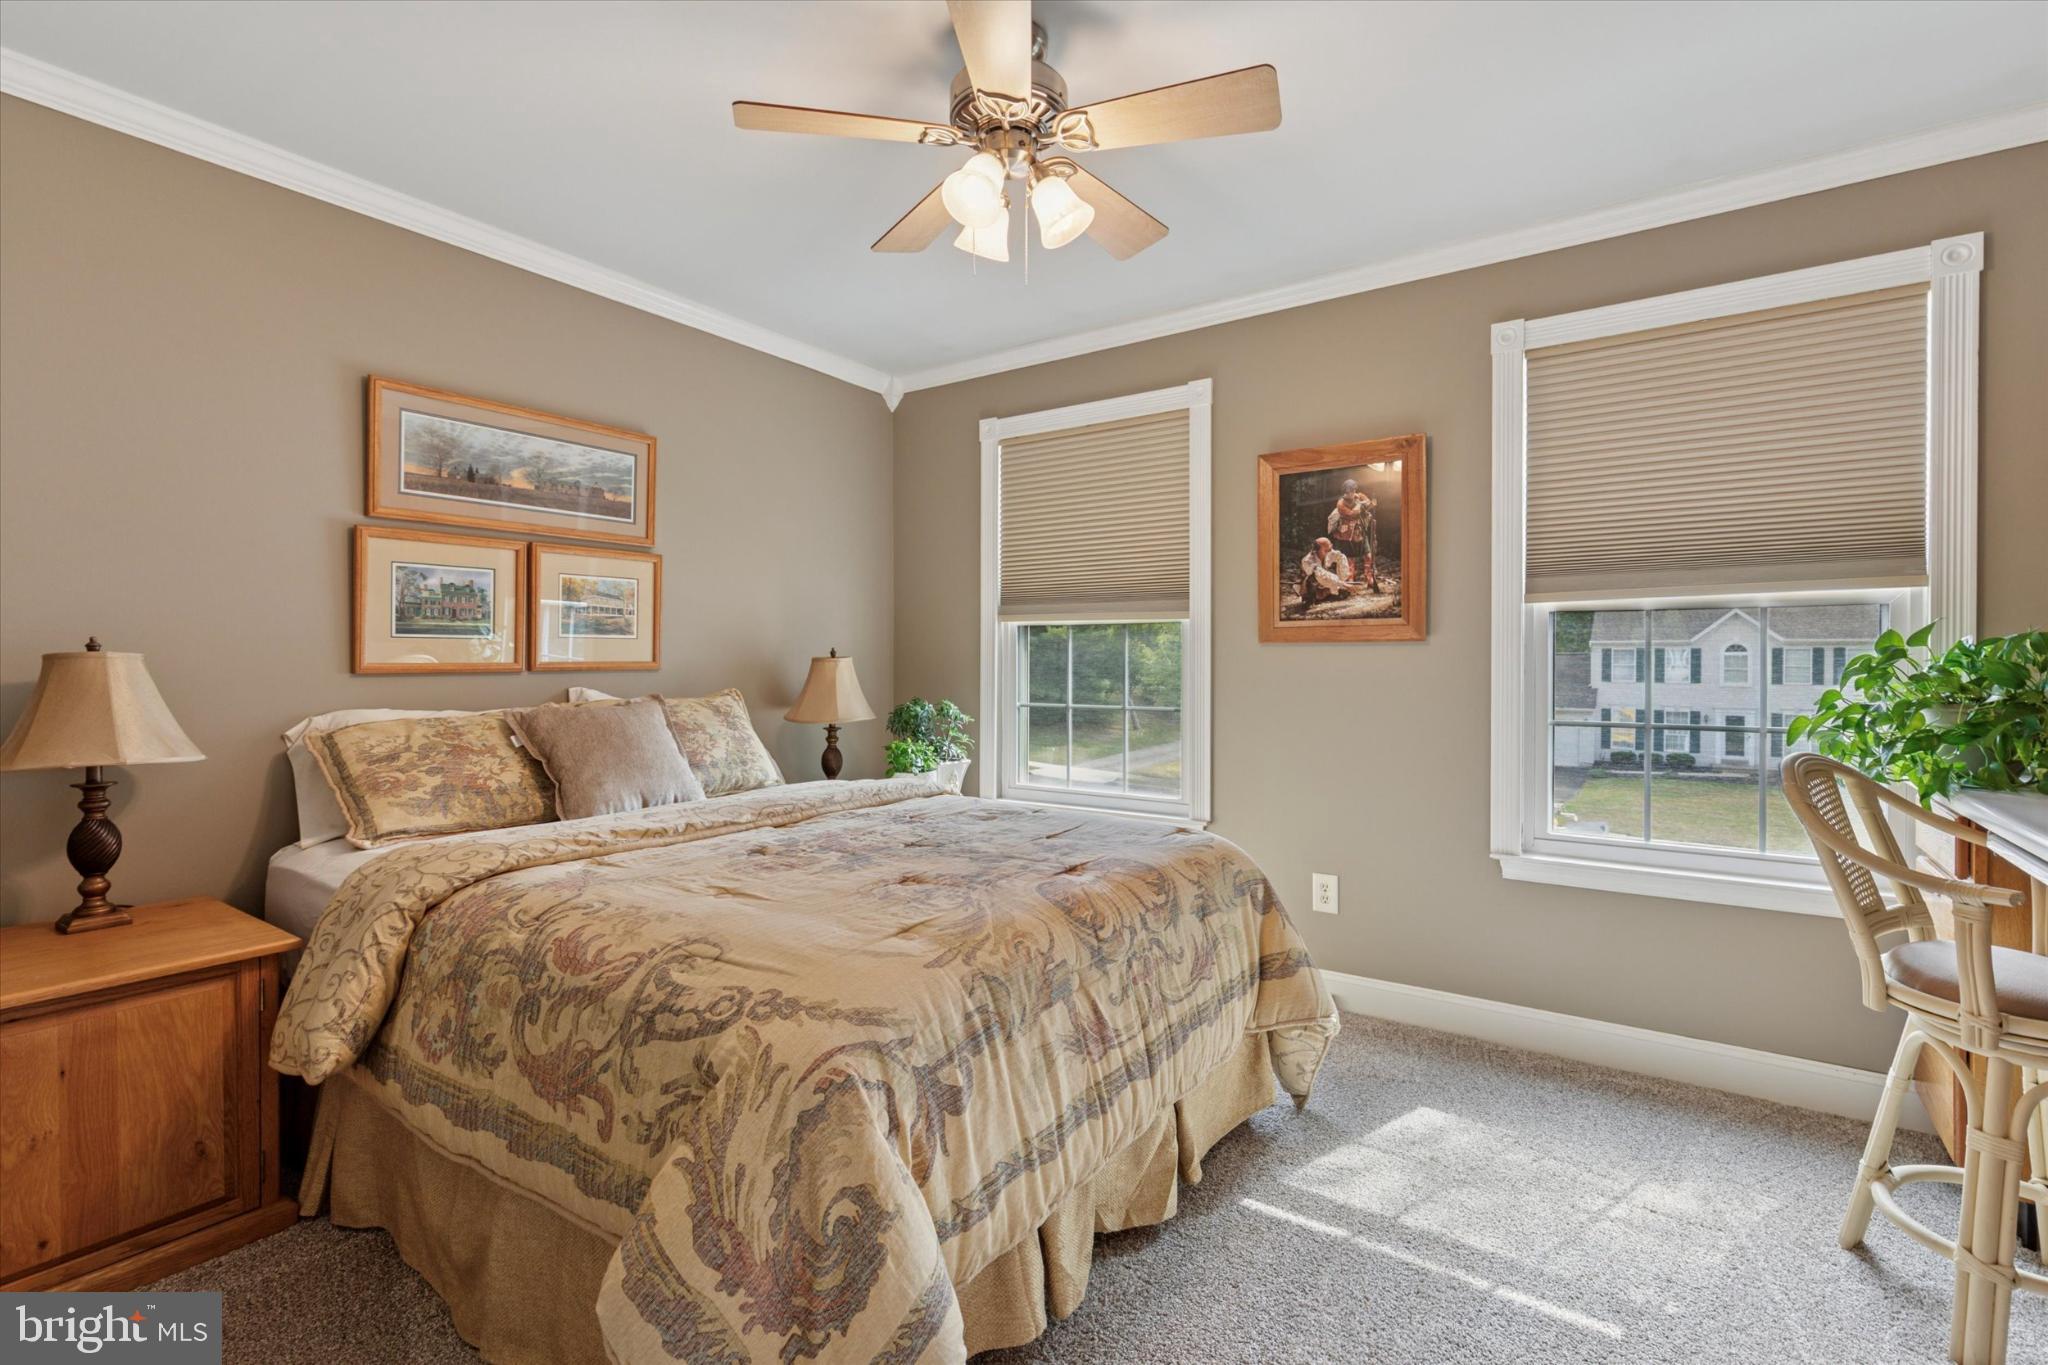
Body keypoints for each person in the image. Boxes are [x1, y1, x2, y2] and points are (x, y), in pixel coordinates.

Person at [1326, 479, 1378, 593]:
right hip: (1346, 534)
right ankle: (1350, 580)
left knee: (1368, 556)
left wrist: (1370, 503)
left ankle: (1369, 577)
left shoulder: (1359, 496)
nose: (1351, 493)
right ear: (1345, 492)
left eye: (1353, 490)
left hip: (1360, 532)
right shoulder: (1341, 503)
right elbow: (1352, 514)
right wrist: (1360, 505)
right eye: (1349, 491)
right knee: (1350, 559)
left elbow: (1369, 505)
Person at [1297, 537, 1355, 609]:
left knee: (1344, 593)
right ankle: (1309, 599)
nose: (1331, 548)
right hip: (1313, 584)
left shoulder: (1329, 552)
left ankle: (1327, 594)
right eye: (1328, 548)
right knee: (1312, 578)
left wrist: (1343, 579)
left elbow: (1341, 556)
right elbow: (1320, 574)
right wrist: (1342, 584)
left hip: (1325, 583)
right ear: (1318, 549)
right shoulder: (1308, 560)